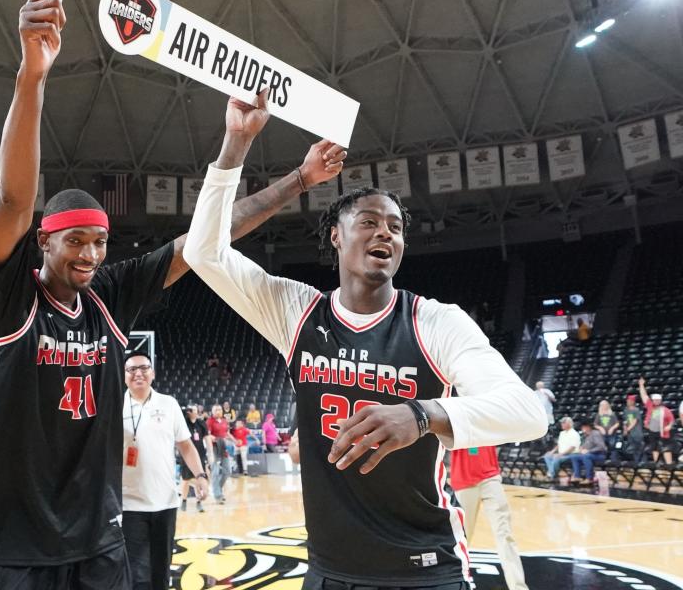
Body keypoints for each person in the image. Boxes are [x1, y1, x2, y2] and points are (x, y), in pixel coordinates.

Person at [0, 0, 340, 590]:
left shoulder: (110, 294)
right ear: (42, 242)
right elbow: (13, 197)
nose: (89, 254)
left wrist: (295, 178)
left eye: (98, 242)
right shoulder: (11, 296)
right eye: (74, 241)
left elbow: (210, 236)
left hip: (98, 535)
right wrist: (32, 76)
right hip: (12, 539)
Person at [184, 106, 547, 588]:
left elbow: (528, 413)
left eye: (396, 227)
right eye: (370, 222)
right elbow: (202, 251)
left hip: (425, 569)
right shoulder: (296, 313)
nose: (386, 233)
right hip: (330, 571)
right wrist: (237, 142)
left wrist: (421, 415)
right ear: (335, 235)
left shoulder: (435, 321)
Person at [120, 353, 207, 590]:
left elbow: (186, 446)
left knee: (161, 571)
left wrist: (200, 475)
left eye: (144, 368)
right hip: (130, 505)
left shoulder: (168, 404)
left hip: (166, 503)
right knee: (137, 574)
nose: (138, 373)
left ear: (153, 373)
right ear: (124, 375)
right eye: (132, 369)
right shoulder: (116, 405)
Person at [450, 446, 528, 590]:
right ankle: (457, 582)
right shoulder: (456, 422)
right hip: (464, 479)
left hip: (490, 476)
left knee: (505, 534)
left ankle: (518, 587)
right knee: (462, 538)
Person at [638, 377, 675, 464]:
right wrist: (641, 385)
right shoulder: (650, 406)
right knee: (654, 448)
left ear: (660, 401)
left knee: (666, 449)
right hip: (652, 431)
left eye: (658, 400)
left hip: (663, 432)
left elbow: (672, 420)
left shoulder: (665, 410)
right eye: (655, 400)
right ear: (653, 400)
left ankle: (669, 464)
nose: (656, 401)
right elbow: (644, 395)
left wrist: (669, 426)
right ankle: (656, 464)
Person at [180, 405, 209, 512]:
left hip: (200, 455)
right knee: (185, 480)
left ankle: (199, 502)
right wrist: (187, 410)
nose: (195, 412)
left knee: (200, 479)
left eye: (196, 410)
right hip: (186, 454)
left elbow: (207, 437)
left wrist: (210, 454)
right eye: (192, 411)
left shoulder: (201, 423)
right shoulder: (184, 422)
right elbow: (181, 413)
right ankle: (183, 502)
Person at [543, 417, 580, 481]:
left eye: (564, 423)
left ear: (569, 424)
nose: (562, 424)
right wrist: (552, 452)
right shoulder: (562, 433)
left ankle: (551, 475)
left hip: (570, 454)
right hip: (561, 453)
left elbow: (572, 447)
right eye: (562, 423)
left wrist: (561, 454)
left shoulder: (574, 433)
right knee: (547, 456)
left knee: (556, 458)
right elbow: (559, 445)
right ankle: (552, 473)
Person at [570, 421, 606, 485]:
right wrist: (581, 449)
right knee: (574, 456)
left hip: (599, 455)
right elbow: (584, 446)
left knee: (586, 456)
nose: (582, 429)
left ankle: (589, 478)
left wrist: (589, 451)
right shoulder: (585, 435)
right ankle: (577, 476)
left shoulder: (595, 433)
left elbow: (601, 447)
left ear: (588, 427)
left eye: (583, 427)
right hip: (590, 455)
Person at [622, 395, 645, 463]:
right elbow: (625, 421)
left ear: (632, 402)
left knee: (639, 448)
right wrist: (625, 429)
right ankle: (635, 462)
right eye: (627, 400)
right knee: (633, 448)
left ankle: (642, 462)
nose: (627, 402)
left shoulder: (636, 410)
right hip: (630, 433)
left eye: (629, 401)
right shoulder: (626, 410)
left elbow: (635, 421)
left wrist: (627, 429)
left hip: (637, 432)